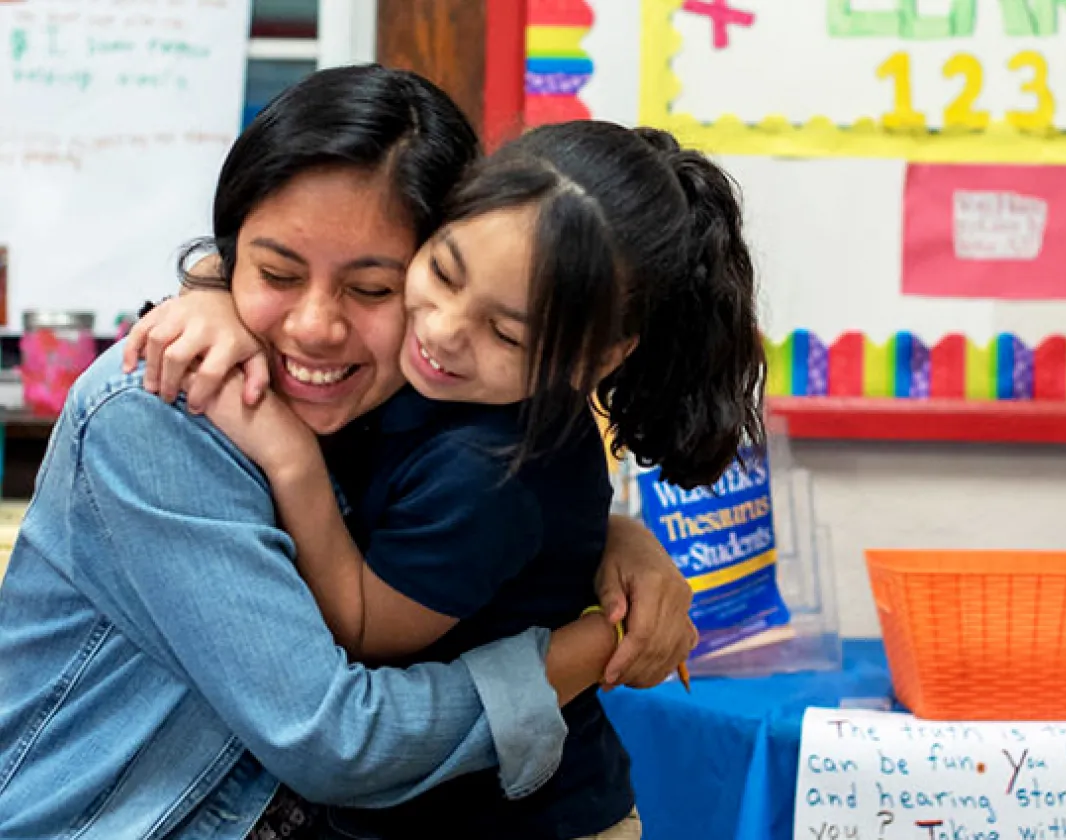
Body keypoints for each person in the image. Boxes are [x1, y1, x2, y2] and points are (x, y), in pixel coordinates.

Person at [0, 66, 695, 840]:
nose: (315, 327)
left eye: (372, 289)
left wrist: (610, 543)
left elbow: (506, 507)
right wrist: (595, 640)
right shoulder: (168, 411)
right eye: (275, 272)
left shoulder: (432, 402)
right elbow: (338, 741)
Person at [127, 120, 766, 838]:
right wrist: (210, 290)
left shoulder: (490, 469)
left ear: (599, 360)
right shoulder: (432, 376)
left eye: (507, 334)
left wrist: (290, 460)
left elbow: (363, 631)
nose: (442, 330)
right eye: (443, 272)